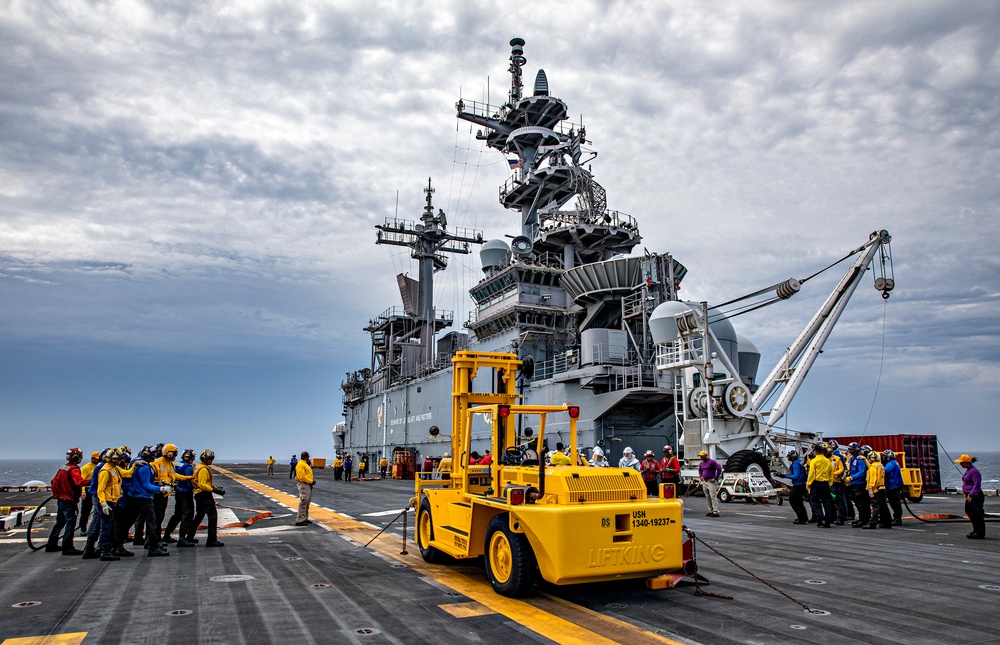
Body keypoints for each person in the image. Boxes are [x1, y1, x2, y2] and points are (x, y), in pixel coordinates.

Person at [120, 445, 171, 557]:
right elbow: (146, 485)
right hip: (143, 499)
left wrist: (159, 484)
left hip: (135, 497)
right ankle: (153, 547)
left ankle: (117, 545)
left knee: (127, 522)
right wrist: (161, 489)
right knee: (152, 522)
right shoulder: (144, 467)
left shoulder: (141, 464)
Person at [45, 447, 90, 555]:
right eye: (80, 457)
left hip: (61, 499)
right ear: (76, 457)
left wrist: (57, 494)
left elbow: (53, 481)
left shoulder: (63, 467)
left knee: (60, 523)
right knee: (71, 522)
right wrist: (94, 480)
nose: (81, 459)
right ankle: (68, 546)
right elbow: (79, 482)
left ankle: (51, 544)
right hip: (69, 500)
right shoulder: (74, 469)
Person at [151, 443, 191, 542]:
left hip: (164, 495)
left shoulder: (170, 464)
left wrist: (189, 477)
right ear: (168, 453)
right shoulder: (156, 463)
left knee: (160, 517)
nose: (175, 456)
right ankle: (153, 540)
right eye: (174, 454)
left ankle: (157, 539)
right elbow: (151, 479)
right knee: (156, 518)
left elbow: (174, 476)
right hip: (157, 495)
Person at [187, 449, 225, 547]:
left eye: (212, 458)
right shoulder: (203, 469)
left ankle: (189, 537)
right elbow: (202, 484)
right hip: (204, 495)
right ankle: (211, 540)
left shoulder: (198, 467)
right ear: (205, 458)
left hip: (199, 495)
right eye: (210, 458)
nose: (211, 460)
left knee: (199, 516)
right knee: (212, 516)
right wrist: (214, 490)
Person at [94, 448, 125, 561]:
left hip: (112, 501)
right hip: (107, 503)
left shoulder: (114, 469)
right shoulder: (105, 471)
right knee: (105, 527)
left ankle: (104, 549)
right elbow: (100, 489)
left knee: (108, 526)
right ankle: (104, 551)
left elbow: (126, 473)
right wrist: (103, 504)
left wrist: (135, 466)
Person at [165, 449, 197, 545]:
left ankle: (167, 535)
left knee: (177, 514)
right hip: (186, 493)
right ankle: (182, 538)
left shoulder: (177, 464)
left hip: (178, 492)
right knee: (187, 514)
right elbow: (189, 482)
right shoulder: (188, 467)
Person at [806, 443, 835, 528]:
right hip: (825, 484)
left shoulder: (814, 461)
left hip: (816, 484)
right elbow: (831, 474)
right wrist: (830, 483)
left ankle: (820, 519)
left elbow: (811, 474)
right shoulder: (827, 461)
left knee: (815, 502)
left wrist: (808, 483)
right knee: (827, 502)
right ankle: (828, 520)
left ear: (815, 451)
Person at [956, 454, 985, 540]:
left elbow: (977, 484)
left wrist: (971, 494)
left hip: (975, 496)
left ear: (966, 462)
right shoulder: (969, 470)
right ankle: (975, 530)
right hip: (969, 495)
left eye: (961, 462)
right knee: (969, 511)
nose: (960, 464)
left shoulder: (974, 471)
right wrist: (966, 492)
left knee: (976, 514)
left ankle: (979, 533)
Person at [845, 442, 870, 527]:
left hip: (859, 484)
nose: (850, 451)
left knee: (861, 503)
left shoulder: (860, 459)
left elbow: (862, 472)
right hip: (853, 484)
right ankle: (861, 518)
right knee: (857, 502)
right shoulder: (852, 458)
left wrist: (852, 477)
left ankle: (864, 520)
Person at [864, 450, 891, 529]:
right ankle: (887, 522)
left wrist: (870, 489)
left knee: (875, 507)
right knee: (884, 506)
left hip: (875, 489)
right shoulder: (880, 465)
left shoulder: (873, 467)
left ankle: (872, 523)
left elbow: (872, 479)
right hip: (882, 488)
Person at [78, 451, 100, 535]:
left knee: (97, 511)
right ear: (93, 459)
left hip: (95, 490)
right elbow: (81, 480)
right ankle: (83, 529)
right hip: (87, 491)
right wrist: (83, 492)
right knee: (85, 511)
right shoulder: (86, 468)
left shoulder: (98, 467)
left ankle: (95, 528)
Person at [786, 450, 809, 524]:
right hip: (802, 484)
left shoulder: (795, 464)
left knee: (793, 500)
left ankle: (801, 518)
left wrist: (785, 476)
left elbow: (796, 476)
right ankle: (804, 518)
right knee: (799, 501)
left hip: (798, 485)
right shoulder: (799, 462)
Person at [882, 450, 904, 526]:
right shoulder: (895, 463)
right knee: (895, 503)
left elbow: (883, 471)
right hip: (895, 485)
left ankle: (897, 519)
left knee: (895, 503)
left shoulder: (890, 464)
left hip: (893, 486)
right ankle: (897, 518)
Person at [698, 450, 722, 517]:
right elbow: (700, 470)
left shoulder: (712, 462)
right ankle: (710, 510)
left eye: (702, 456)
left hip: (710, 481)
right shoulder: (701, 463)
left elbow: (719, 469)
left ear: (705, 455)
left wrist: (715, 478)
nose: (701, 457)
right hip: (705, 481)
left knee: (713, 496)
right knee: (707, 496)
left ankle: (715, 511)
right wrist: (701, 476)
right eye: (700, 456)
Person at [828, 443, 847, 525]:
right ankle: (831, 516)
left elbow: (842, 469)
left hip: (835, 483)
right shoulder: (824, 460)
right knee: (829, 500)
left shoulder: (837, 459)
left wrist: (834, 474)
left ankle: (840, 517)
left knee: (836, 500)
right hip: (826, 483)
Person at [295, 450, 314, 526]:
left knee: (307, 502)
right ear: (306, 457)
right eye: (308, 456)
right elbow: (302, 477)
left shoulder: (304, 464)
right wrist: (310, 481)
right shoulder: (300, 464)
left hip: (307, 484)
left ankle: (304, 518)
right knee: (303, 501)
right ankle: (300, 519)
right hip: (304, 484)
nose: (308, 458)